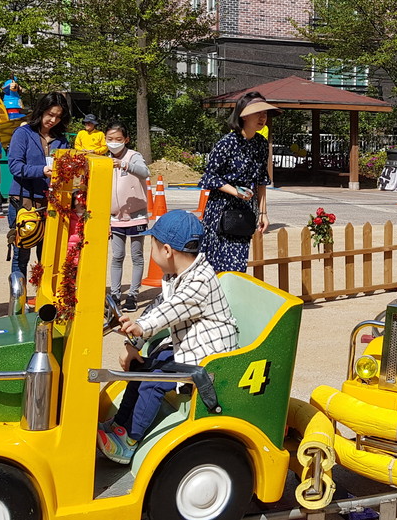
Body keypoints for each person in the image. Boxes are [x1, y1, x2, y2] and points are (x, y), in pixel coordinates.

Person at [97, 210, 238, 463]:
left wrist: (141, 328)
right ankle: (120, 424)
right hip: (191, 344)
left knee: (156, 378)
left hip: (211, 356)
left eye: (152, 246)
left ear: (167, 250)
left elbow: (171, 310)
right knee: (146, 363)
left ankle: (130, 440)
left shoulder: (199, 282)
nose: (151, 253)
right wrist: (133, 341)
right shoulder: (176, 276)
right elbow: (158, 306)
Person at [199, 90, 278, 273]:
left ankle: (231, 300)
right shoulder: (227, 143)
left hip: (245, 211)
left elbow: (261, 180)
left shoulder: (260, 143)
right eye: (257, 113)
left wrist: (263, 213)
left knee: (238, 262)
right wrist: (236, 192)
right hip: (221, 209)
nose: (262, 118)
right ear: (243, 116)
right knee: (214, 264)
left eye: (264, 113)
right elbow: (209, 176)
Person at [7, 92, 72, 286]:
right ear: (41, 111)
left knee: (47, 253)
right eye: (50, 114)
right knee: (21, 253)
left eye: (58, 116)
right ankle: (19, 299)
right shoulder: (23, 133)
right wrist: (42, 171)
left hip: (51, 203)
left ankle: (44, 297)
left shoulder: (61, 139)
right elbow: (14, 167)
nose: (53, 120)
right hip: (23, 201)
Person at [106, 123, 149, 311]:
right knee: (117, 255)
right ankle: (115, 294)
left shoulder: (134, 156)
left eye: (118, 140)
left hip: (137, 215)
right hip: (114, 217)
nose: (113, 143)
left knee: (137, 255)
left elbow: (144, 172)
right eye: (110, 139)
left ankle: (133, 294)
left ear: (126, 140)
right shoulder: (103, 160)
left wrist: (124, 164)